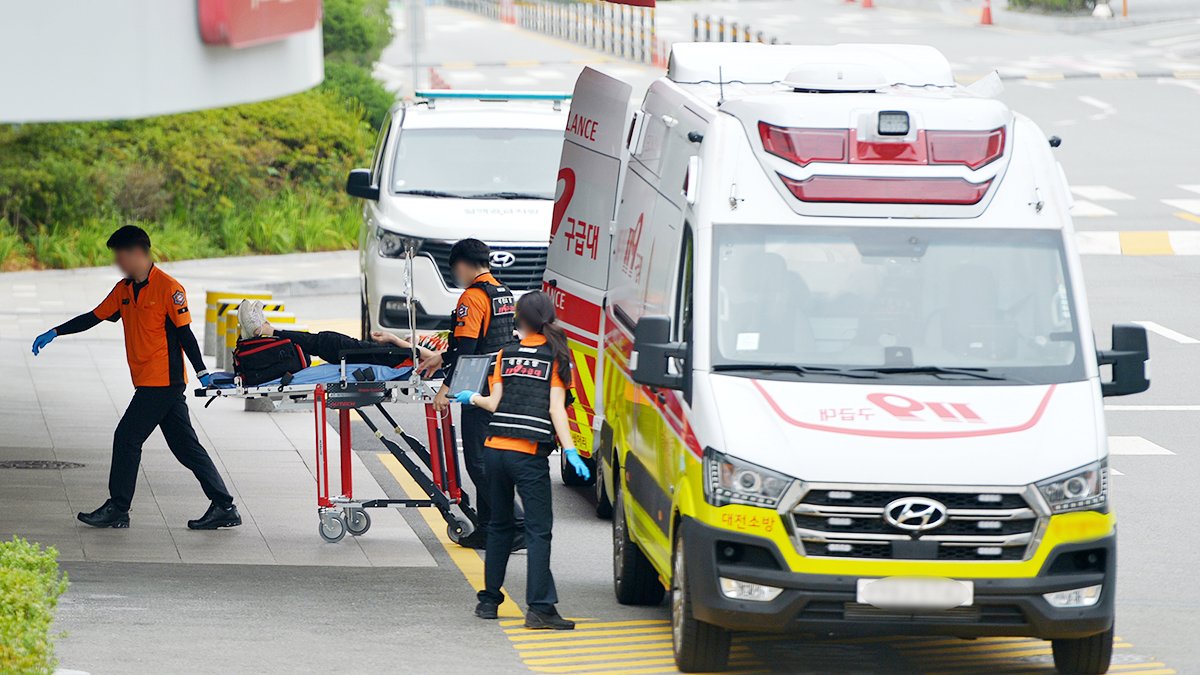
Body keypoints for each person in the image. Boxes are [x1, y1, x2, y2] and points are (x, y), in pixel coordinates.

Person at [31, 226, 240, 530]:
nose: (118, 263)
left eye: (120, 256)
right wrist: (56, 331)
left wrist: (202, 374)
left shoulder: (169, 288)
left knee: (127, 437)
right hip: (146, 380)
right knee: (186, 447)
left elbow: (185, 335)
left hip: (164, 382)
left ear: (137, 253)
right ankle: (225, 505)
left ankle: (118, 507)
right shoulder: (124, 290)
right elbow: (94, 316)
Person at [455, 291, 590, 630]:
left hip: (494, 450)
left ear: (519, 319)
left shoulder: (505, 353)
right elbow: (556, 409)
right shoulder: (556, 356)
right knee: (537, 531)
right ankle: (540, 608)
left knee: (500, 526)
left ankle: (488, 602)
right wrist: (571, 450)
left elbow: (492, 403)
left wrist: (471, 396)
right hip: (527, 454)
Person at [417, 238, 521, 550]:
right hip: (502, 379)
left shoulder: (472, 297)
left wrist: (446, 389)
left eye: (455, 271)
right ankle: (490, 528)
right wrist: (441, 357)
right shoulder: (502, 292)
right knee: (488, 458)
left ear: (461, 264)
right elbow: (483, 340)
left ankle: (516, 524)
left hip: (479, 385)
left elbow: (468, 349)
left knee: (478, 462)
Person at [236, 299, 437, 367]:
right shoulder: (457, 342)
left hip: (391, 358)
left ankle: (263, 330)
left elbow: (428, 357)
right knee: (326, 340)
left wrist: (394, 339)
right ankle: (266, 330)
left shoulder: (456, 355)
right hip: (389, 354)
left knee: (327, 341)